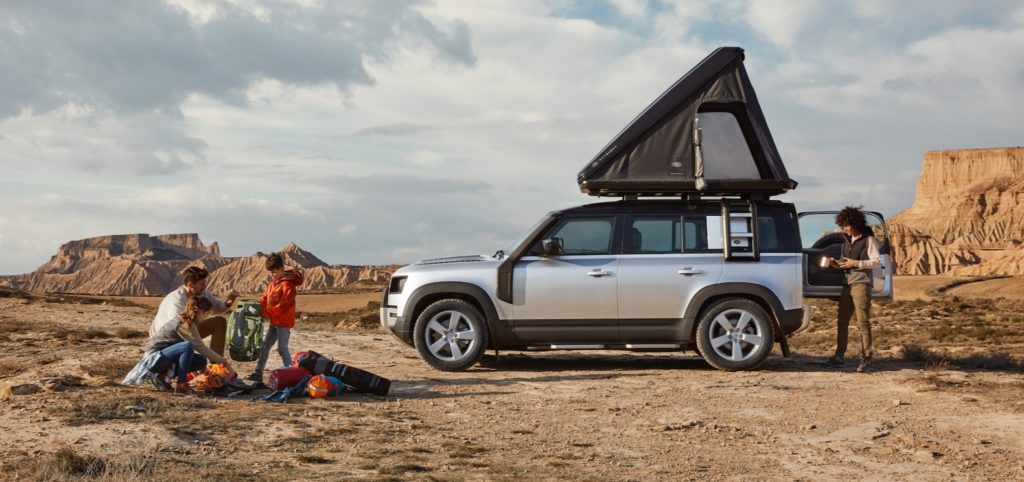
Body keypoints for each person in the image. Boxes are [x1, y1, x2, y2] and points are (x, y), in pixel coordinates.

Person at [124, 296, 230, 395]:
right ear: (200, 312)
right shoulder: (183, 323)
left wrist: (206, 367)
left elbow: (198, 347)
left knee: (201, 361)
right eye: (206, 313)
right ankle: (181, 385)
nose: (206, 317)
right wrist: (223, 362)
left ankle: (162, 376)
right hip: (155, 358)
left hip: (165, 359)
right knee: (187, 346)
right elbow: (200, 347)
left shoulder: (190, 323)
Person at [821, 206, 881, 373]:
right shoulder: (845, 241)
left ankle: (867, 358)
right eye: (842, 225)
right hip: (847, 284)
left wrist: (857, 263)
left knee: (863, 322)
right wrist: (836, 264)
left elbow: (876, 262)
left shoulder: (868, 239)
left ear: (854, 223)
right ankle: (839, 357)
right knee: (842, 322)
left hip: (861, 284)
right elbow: (845, 263)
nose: (843, 228)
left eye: (846, 225)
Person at [149, 266, 238, 358]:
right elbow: (180, 328)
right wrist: (199, 346)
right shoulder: (176, 301)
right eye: (201, 283)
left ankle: (216, 365)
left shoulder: (201, 292)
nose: (205, 286)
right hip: (168, 339)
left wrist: (230, 301)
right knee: (193, 353)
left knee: (219, 322)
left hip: (188, 327)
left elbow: (218, 307)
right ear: (190, 284)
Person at [247, 253, 304, 383]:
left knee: (282, 349)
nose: (272, 275)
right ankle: (258, 374)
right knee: (265, 347)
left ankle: (292, 375)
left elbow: (283, 305)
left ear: (281, 268)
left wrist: (267, 313)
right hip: (274, 322)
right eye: (271, 273)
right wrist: (258, 308)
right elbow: (264, 299)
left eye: (274, 272)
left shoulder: (288, 285)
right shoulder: (272, 284)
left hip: (283, 323)